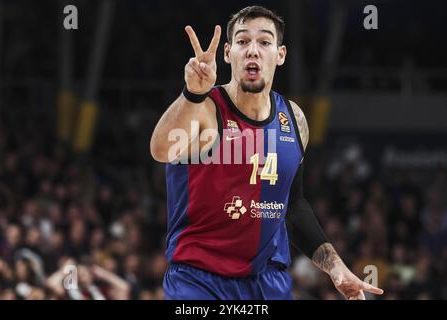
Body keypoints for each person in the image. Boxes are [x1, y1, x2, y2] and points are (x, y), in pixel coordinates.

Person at [150, 5, 384, 300]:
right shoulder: (205, 109)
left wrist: (336, 268)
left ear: (280, 54)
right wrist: (192, 93)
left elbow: (293, 205)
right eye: (243, 41)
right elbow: (160, 150)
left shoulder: (294, 119)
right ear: (227, 53)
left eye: (264, 42)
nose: (253, 51)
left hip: (268, 283)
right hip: (199, 282)